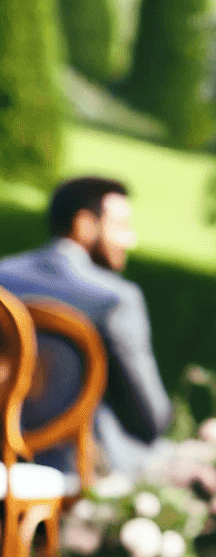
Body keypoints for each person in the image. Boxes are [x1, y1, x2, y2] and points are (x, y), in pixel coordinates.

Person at [0, 176, 171, 478]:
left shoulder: (4, 278)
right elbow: (150, 418)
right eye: (120, 226)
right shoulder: (115, 300)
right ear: (84, 224)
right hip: (72, 466)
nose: (130, 240)